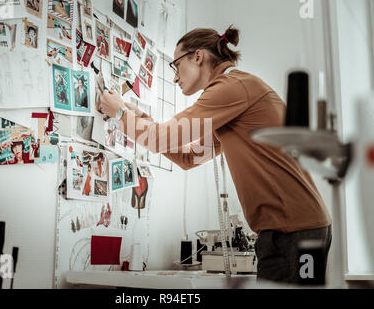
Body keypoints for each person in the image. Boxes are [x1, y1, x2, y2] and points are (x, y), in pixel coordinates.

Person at [100, 25, 332, 285]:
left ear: (198, 57)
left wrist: (121, 115)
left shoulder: (231, 86)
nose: (175, 78)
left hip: (292, 230)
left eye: (176, 66)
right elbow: (191, 157)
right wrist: (137, 116)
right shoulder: (234, 94)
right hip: (294, 227)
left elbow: (160, 138)